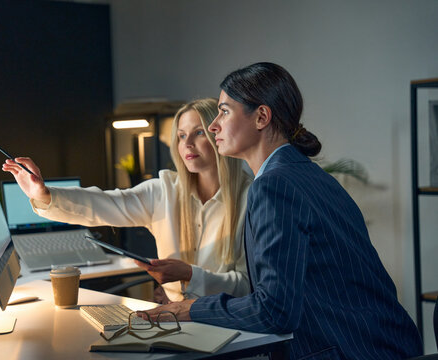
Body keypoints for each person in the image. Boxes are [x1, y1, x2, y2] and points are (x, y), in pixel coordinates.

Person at [142, 63, 423, 359]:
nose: (214, 126)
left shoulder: (273, 186)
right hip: (386, 345)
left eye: (224, 111)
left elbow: (275, 311)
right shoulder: (308, 175)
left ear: (261, 117)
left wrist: (190, 309)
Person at [2, 98, 252, 303]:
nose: (187, 144)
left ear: (218, 134)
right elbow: (103, 204)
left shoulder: (251, 198)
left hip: (226, 322)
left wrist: (189, 275)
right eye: (181, 135)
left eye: (198, 133)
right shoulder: (163, 192)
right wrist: (44, 195)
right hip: (176, 319)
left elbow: (247, 287)